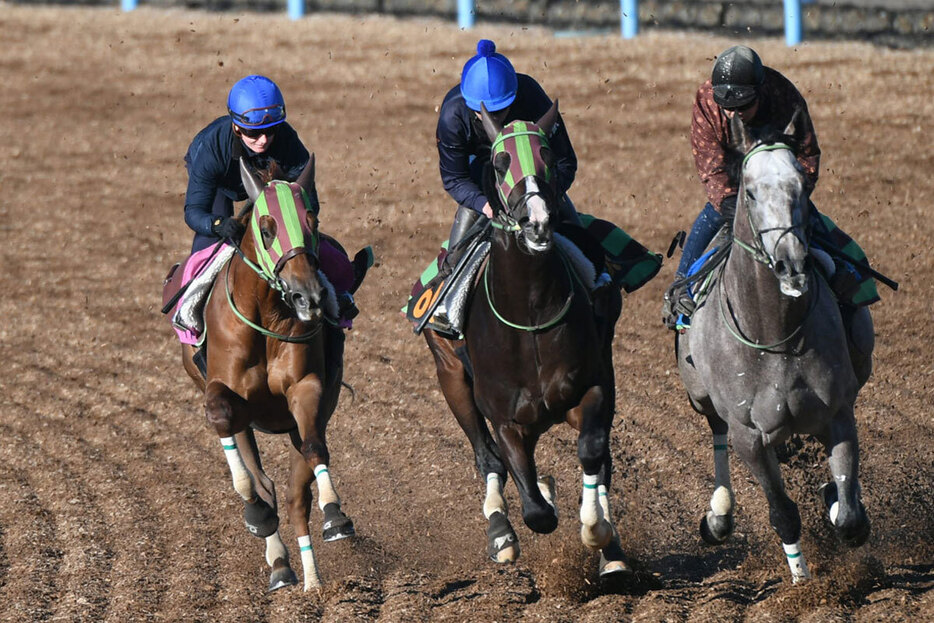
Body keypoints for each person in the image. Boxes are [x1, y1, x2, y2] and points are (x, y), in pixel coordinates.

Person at [663, 45, 858, 329]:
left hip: (780, 189)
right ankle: (681, 291)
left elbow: (807, 156)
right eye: (728, 107)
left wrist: (786, 194)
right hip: (734, 192)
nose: (734, 114)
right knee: (708, 219)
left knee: (815, 230)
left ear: (761, 91)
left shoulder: (784, 97)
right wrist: (736, 206)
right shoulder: (707, 100)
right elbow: (712, 170)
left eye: (743, 106)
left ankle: (846, 283)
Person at [431, 39, 597, 328]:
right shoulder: (452, 116)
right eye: (488, 114)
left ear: (514, 96)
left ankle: (596, 285)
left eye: (502, 109)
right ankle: (447, 297)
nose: (494, 118)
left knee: (575, 234)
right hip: (483, 181)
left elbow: (565, 159)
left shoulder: (531, 96)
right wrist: (484, 205)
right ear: (470, 106)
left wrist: (547, 196)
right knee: (457, 250)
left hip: (533, 183)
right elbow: (454, 178)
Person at [180, 74, 357, 324]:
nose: (263, 140)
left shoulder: (287, 141)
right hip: (222, 186)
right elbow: (194, 211)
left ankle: (339, 298)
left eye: (270, 130)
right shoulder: (211, 149)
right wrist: (218, 225)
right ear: (236, 126)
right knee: (208, 247)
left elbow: (310, 203)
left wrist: (296, 221)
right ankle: (189, 317)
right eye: (253, 132)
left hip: (270, 185)